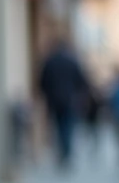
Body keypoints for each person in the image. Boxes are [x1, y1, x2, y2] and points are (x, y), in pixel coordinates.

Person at [37, 37, 91, 169]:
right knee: (68, 127)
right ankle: (66, 153)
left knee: (58, 126)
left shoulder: (50, 61)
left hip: (54, 99)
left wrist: (46, 94)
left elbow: (42, 81)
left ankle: (63, 152)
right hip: (70, 100)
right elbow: (82, 81)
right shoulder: (72, 61)